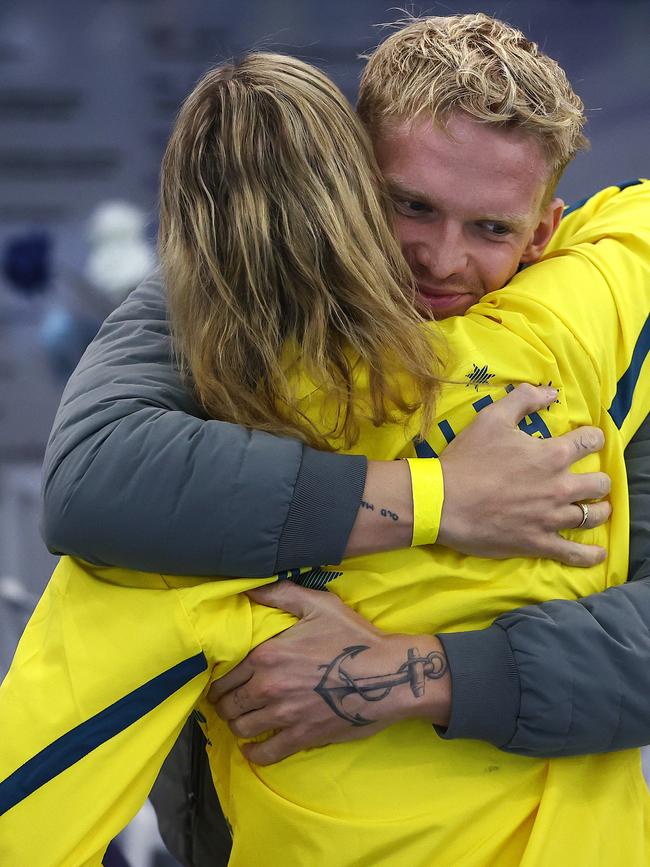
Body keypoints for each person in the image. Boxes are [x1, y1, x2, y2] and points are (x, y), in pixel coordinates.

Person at [1, 48, 648, 866]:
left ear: (544, 229)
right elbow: (95, 481)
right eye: (409, 207)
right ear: (349, 180)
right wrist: (443, 499)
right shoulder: (234, 298)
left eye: (491, 228)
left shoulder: (604, 341)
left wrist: (417, 673)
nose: (442, 260)